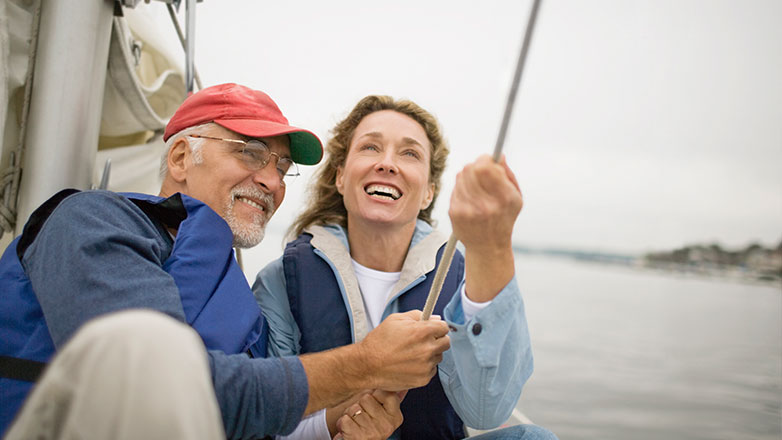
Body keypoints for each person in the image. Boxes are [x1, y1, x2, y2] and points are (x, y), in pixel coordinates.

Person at [0, 83, 451, 440]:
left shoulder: (243, 303)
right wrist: (365, 363)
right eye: (250, 152)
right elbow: (160, 388)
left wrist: (338, 424)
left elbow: (251, 420)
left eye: (282, 166)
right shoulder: (91, 221)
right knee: (139, 343)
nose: (272, 180)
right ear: (180, 156)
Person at [254, 95, 558, 439]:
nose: (387, 163)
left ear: (429, 193)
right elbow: (263, 420)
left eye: (409, 153)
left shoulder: (463, 282)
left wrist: (492, 250)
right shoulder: (282, 281)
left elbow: (487, 412)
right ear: (340, 177)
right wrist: (336, 423)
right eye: (370, 147)